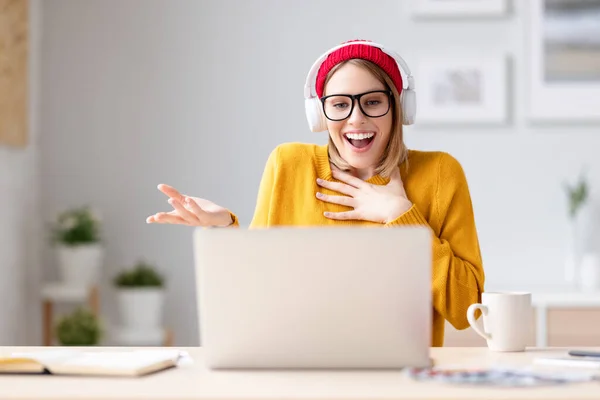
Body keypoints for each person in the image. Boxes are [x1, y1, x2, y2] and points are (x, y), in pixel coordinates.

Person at [146, 40, 485, 347]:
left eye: (372, 102)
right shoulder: (289, 164)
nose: (356, 119)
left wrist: (401, 216)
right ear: (320, 114)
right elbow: (256, 295)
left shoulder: (440, 174)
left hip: (401, 383)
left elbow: (467, 309)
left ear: (398, 108)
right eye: (339, 105)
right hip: (297, 372)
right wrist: (225, 229)